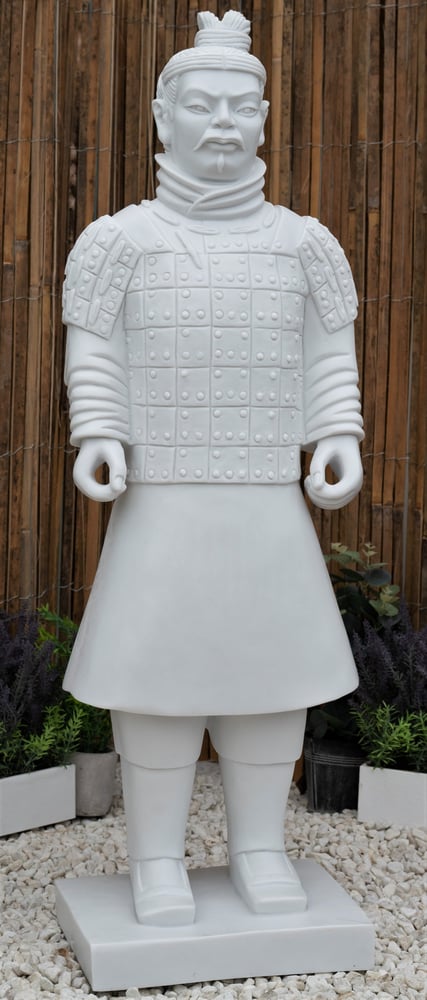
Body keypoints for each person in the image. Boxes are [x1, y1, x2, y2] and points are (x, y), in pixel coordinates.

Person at [62, 10, 364, 927]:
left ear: (265, 118)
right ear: (164, 116)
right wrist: (99, 430)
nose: (223, 122)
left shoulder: (304, 244)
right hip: (162, 502)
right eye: (201, 105)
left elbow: (327, 354)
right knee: (155, 678)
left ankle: (260, 849)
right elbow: (96, 350)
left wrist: (336, 431)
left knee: (269, 677)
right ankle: (155, 860)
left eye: (241, 106)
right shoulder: (118, 242)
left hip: (265, 502)